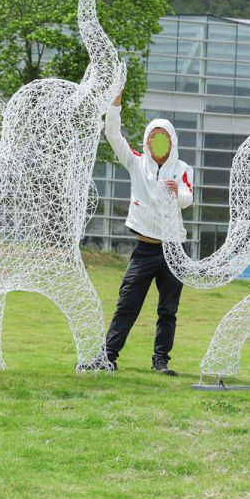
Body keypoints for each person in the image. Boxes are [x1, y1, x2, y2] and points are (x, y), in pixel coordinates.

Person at [102, 89, 194, 375]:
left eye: (163, 138)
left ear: (171, 142)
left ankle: (161, 361)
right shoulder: (137, 163)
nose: (158, 143)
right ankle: (108, 357)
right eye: (153, 137)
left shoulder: (181, 168)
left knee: (168, 311)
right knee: (126, 304)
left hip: (173, 251)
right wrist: (115, 104)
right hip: (144, 249)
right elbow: (112, 136)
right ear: (147, 140)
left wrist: (177, 192)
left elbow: (188, 199)